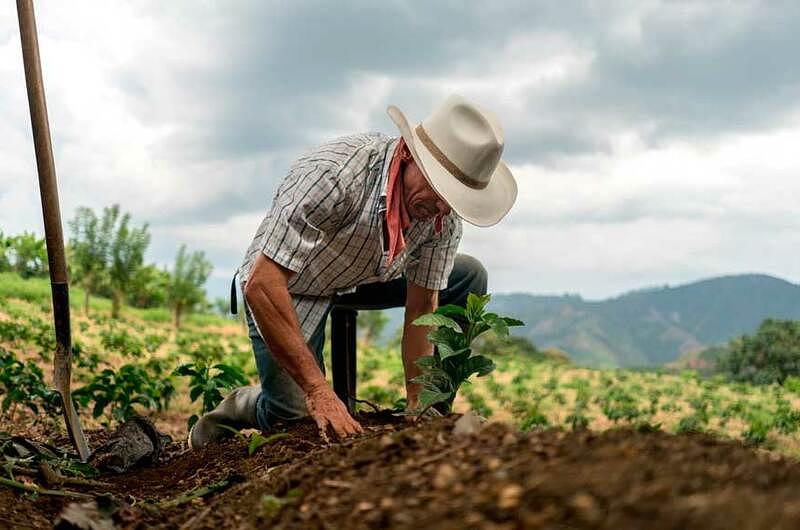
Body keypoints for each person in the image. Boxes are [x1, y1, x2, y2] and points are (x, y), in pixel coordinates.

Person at [190, 94, 517, 448]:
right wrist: (318, 390)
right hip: (292, 283)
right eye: (439, 190)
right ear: (409, 155)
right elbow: (263, 283)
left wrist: (418, 404)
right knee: (294, 417)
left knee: (468, 275)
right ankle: (242, 405)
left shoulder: (441, 216)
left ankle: (432, 415)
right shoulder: (334, 176)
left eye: (453, 199)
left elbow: (423, 307)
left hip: (365, 275)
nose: (442, 208)